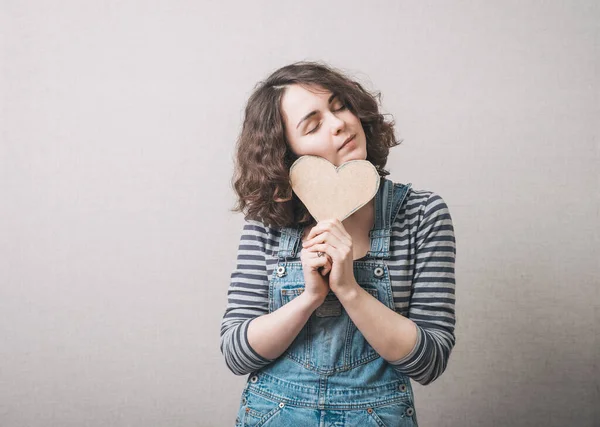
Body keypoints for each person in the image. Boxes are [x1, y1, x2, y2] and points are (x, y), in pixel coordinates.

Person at [220, 61, 456, 427]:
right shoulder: (268, 223)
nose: (338, 124)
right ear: (287, 153)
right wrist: (309, 297)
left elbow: (429, 362)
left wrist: (348, 289)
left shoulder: (421, 215)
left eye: (339, 105)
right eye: (312, 125)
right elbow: (237, 353)